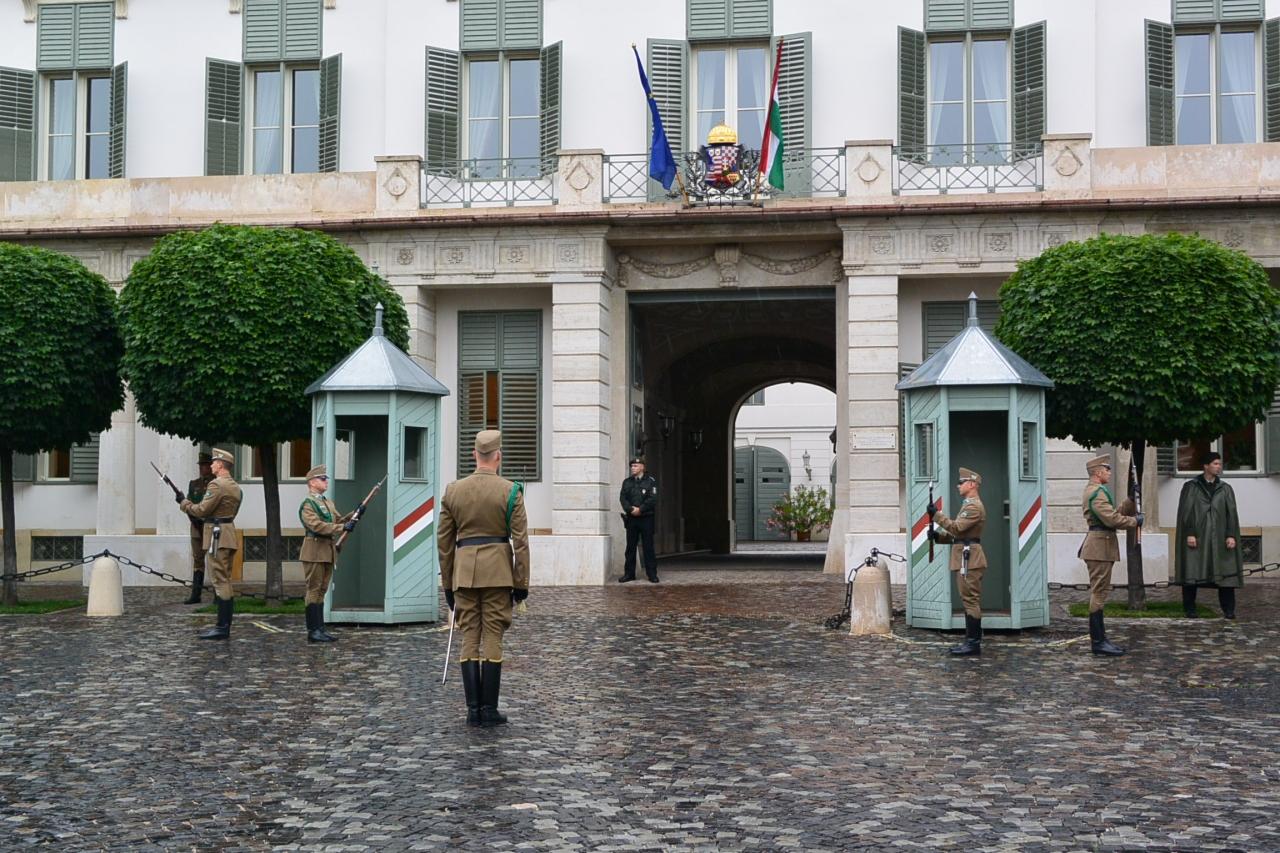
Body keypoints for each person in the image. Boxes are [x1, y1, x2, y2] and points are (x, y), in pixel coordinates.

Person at [437, 430, 530, 727]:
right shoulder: (511, 491)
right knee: (492, 636)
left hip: (464, 574)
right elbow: (521, 543)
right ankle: (488, 709)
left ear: (474, 455)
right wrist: (521, 584)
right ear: (498, 456)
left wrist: (448, 583)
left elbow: (444, 543)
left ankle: (472, 710)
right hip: (498, 574)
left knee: (469, 636)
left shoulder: (453, 491)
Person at [1078, 454, 1141, 655]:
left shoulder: (1097, 491)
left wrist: (1130, 500)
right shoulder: (1096, 492)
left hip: (1102, 545)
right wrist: (1134, 522)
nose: (1109, 472)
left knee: (1101, 593)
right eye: (1107, 469)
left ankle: (1101, 639)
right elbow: (1111, 519)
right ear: (1098, 472)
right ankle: (1098, 642)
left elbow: (1113, 513)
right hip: (1099, 547)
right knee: (1099, 593)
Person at [180, 448, 242, 640]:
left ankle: (222, 627)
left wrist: (184, 503)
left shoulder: (216, 485)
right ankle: (224, 625)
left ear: (221, 465)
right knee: (225, 579)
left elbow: (202, 510)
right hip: (228, 533)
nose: (212, 465)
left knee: (219, 580)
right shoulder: (235, 487)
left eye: (214, 462)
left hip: (217, 535)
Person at [1174, 451, 1243, 619]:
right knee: (1192, 572)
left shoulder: (1225, 489)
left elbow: (1231, 514)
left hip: (1219, 538)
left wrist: (1230, 535)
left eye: (1220, 464)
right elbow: (1186, 512)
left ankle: (1229, 610)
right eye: (1215, 464)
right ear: (1206, 466)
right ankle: (1190, 609)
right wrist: (1190, 533)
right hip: (1198, 537)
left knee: (1226, 574)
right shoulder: (1191, 487)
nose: (1219, 467)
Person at [927, 467, 987, 656]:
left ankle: (973, 643)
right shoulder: (968, 505)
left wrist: (936, 515)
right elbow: (960, 536)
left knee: (970, 600)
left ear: (972, 484)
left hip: (970, 559)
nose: (958, 485)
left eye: (961, 482)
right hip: (965, 556)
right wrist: (938, 537)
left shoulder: (973, 507)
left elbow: (957, 528)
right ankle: (971, 641)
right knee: (968, 599)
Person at [298, 464, 354, 643]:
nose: (326, 481)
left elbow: (338, 520)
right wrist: (341, 527)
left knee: (322, 590)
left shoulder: (327, 502)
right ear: (312, 482)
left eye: (325, 479)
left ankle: (320, 628)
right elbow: (316, 526)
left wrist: (354, 514)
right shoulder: (308, 504)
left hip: (327, 550)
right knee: (313, 589)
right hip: (314, 550)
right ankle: (313, 630)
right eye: (322, 479)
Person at [618, 457, 659, 583]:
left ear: (642, 467)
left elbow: (652, 499)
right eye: (632, 466)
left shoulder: (650, 481)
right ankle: (629, 574)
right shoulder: (627, 482)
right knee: (630, 547)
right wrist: (630, 509)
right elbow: (623, 498)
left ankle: (652, 574)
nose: (633, 468)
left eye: (635, 466)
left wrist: (640, 509)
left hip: (646, 518)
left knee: (648, 547)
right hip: (631, 519)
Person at [183, 452, 214, 604]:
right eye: (201, 465)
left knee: (215, 561)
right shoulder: (193, 484)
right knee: (198, 560)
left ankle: (219, 595)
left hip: (210, 526)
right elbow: (189, 503)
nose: (202, 468)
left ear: (210, 466)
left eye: (205, 465)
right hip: (196, 526)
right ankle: (196, 594)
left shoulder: (216, 484)